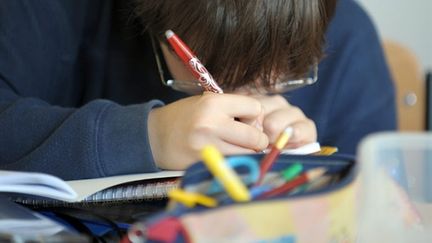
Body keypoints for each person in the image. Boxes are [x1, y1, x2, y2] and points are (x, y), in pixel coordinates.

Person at [0, 0, 395, 180]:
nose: (242, 104)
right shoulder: (52, 11)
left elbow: (386, 200)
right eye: (210, 74)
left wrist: (309, 169)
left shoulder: (347, 37)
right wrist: (148, 137)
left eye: (283, 76)